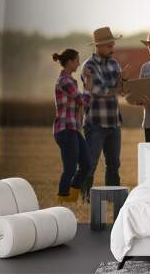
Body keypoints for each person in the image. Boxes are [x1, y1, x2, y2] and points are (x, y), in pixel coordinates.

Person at [80, 27, 130, 202]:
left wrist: (123, 80)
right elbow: (99, 91)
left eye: (113, 43)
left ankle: (113, 197)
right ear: (98, 46)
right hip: (95, 123)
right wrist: (117, 88)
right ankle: (84, 198)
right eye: (109, 44)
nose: (113, 46)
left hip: (114, 122)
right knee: (90, 163)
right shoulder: (89, 66)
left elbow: (120, 91)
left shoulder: (114, 63)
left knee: (114, 165)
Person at [52, 48, 92, 203]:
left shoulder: (71, 81)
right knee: (69, 168)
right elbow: (83, 100)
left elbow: (81, 102)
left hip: (73, 129)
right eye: (76, 60)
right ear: (69, 62)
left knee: (87, 165)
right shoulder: (64, 81)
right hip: (64, 130)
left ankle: (70, 198)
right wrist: (88, 84)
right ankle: (63, 200)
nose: (79, 63)